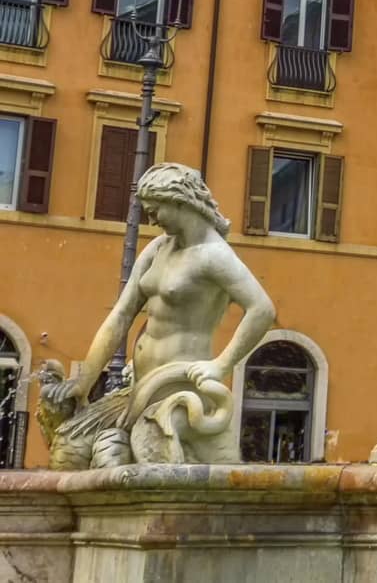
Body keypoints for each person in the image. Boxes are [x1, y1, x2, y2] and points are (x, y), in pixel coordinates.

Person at [38, 163, 275, 467]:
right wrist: (85, 381)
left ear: (180, 202)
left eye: (155, 210)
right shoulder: (157, 249)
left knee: (123, 459)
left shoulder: (214, 256)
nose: (151, 219)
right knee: (67, 450)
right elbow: (121, 315)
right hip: (140, 387)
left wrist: (221, 365)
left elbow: (262, 309)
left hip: (178, 387)